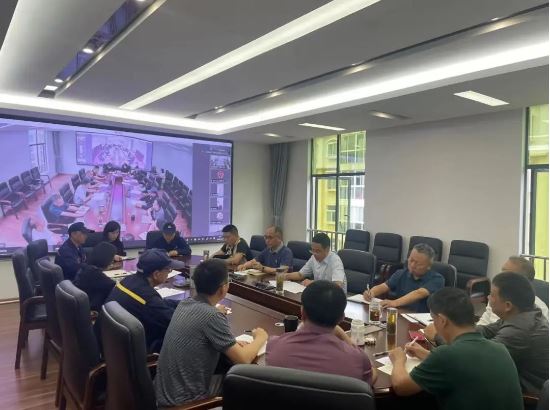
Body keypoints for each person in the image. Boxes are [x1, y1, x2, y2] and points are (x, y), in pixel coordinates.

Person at [155, 259, 268, 406]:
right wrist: (260, 337)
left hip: (164, 394)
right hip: (185, 403)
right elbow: (243, 360)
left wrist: (231, 343)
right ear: (223, 288)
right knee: (250, 384)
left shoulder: (184, 304)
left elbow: (200, 334)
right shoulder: (212, 316)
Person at [389, 287, 523, 410]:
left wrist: (398, 360)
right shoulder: (500, 349)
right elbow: (463, 365)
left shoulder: (446, 355)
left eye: (433, 320)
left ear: (442, 320)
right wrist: (425, 354)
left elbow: (401, 387)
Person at [266, 281, 376, 384]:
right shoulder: (357, 359)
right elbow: (371, 377)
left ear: (302, 313)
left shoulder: (275, 346)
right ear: (342, 318)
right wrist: (346, 339)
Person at [476, 272, 549, 393]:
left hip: (527, 395)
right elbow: (486, 330)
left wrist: (446, 336)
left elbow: (480, 357)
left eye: (492, 295)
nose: (488, 298)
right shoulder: (522, 313)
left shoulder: (520, 329)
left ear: (508, 305)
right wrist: (458, 329)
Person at [105, 249, 186, 352]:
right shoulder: (148, 299)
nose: (169, 272)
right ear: (156, 274)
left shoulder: (129, 280)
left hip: (112, 344)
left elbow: (160, 304)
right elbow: (176, 323)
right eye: (168, 270)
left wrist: (184, 304)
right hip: (137, 350)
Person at [364, 243, 444, 312]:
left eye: (418, 264)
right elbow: (384, 286)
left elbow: (419, 293)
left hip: (420, 319)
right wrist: (372, 292)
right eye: (411, 260)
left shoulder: (437, 279)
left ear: (429, 266)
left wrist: (394, 302)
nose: (412, 265)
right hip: (401, 314)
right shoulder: (401, 273)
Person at [477, 256, 548, 325]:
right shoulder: (496, 297)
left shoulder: (539, 311)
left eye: (505, 274)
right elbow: (484, 321)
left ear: (521, 281)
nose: (500, 277)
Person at [73, 242, 117, 311]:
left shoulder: (85, 267)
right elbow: (114, 287)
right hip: (94, 310)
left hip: (81, 306)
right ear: (106, 258)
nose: (112, 261)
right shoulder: (96, 274)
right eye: (112, 258)